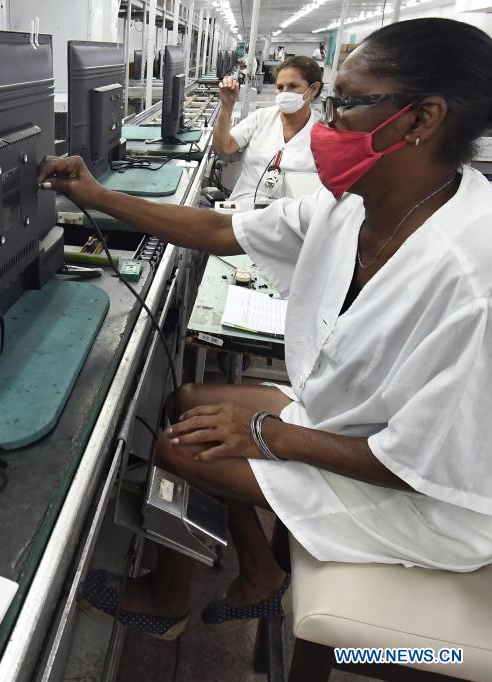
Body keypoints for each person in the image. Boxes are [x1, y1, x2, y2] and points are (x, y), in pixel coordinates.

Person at [39, 17, 492, 639]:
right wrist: (95, 193)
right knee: (189, 401)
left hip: (427, 501)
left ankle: (180, 599)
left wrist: (267, 433)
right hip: (358, 423)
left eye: (346, 105)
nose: (326, 124)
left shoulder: (474, 281)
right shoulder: (358, 201)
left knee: (182, 445)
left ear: (421, 119)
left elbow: (426, 465)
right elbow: (223, 230)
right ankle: (257, 572)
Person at [213, 56, 323, 210]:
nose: (284, 93)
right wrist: (227, 106)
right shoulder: (261, 117)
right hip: (246, 205)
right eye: (280, 87)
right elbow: (222, 148)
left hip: (294, 214)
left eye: (293, 86)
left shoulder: (323, 131)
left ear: (314, 89)